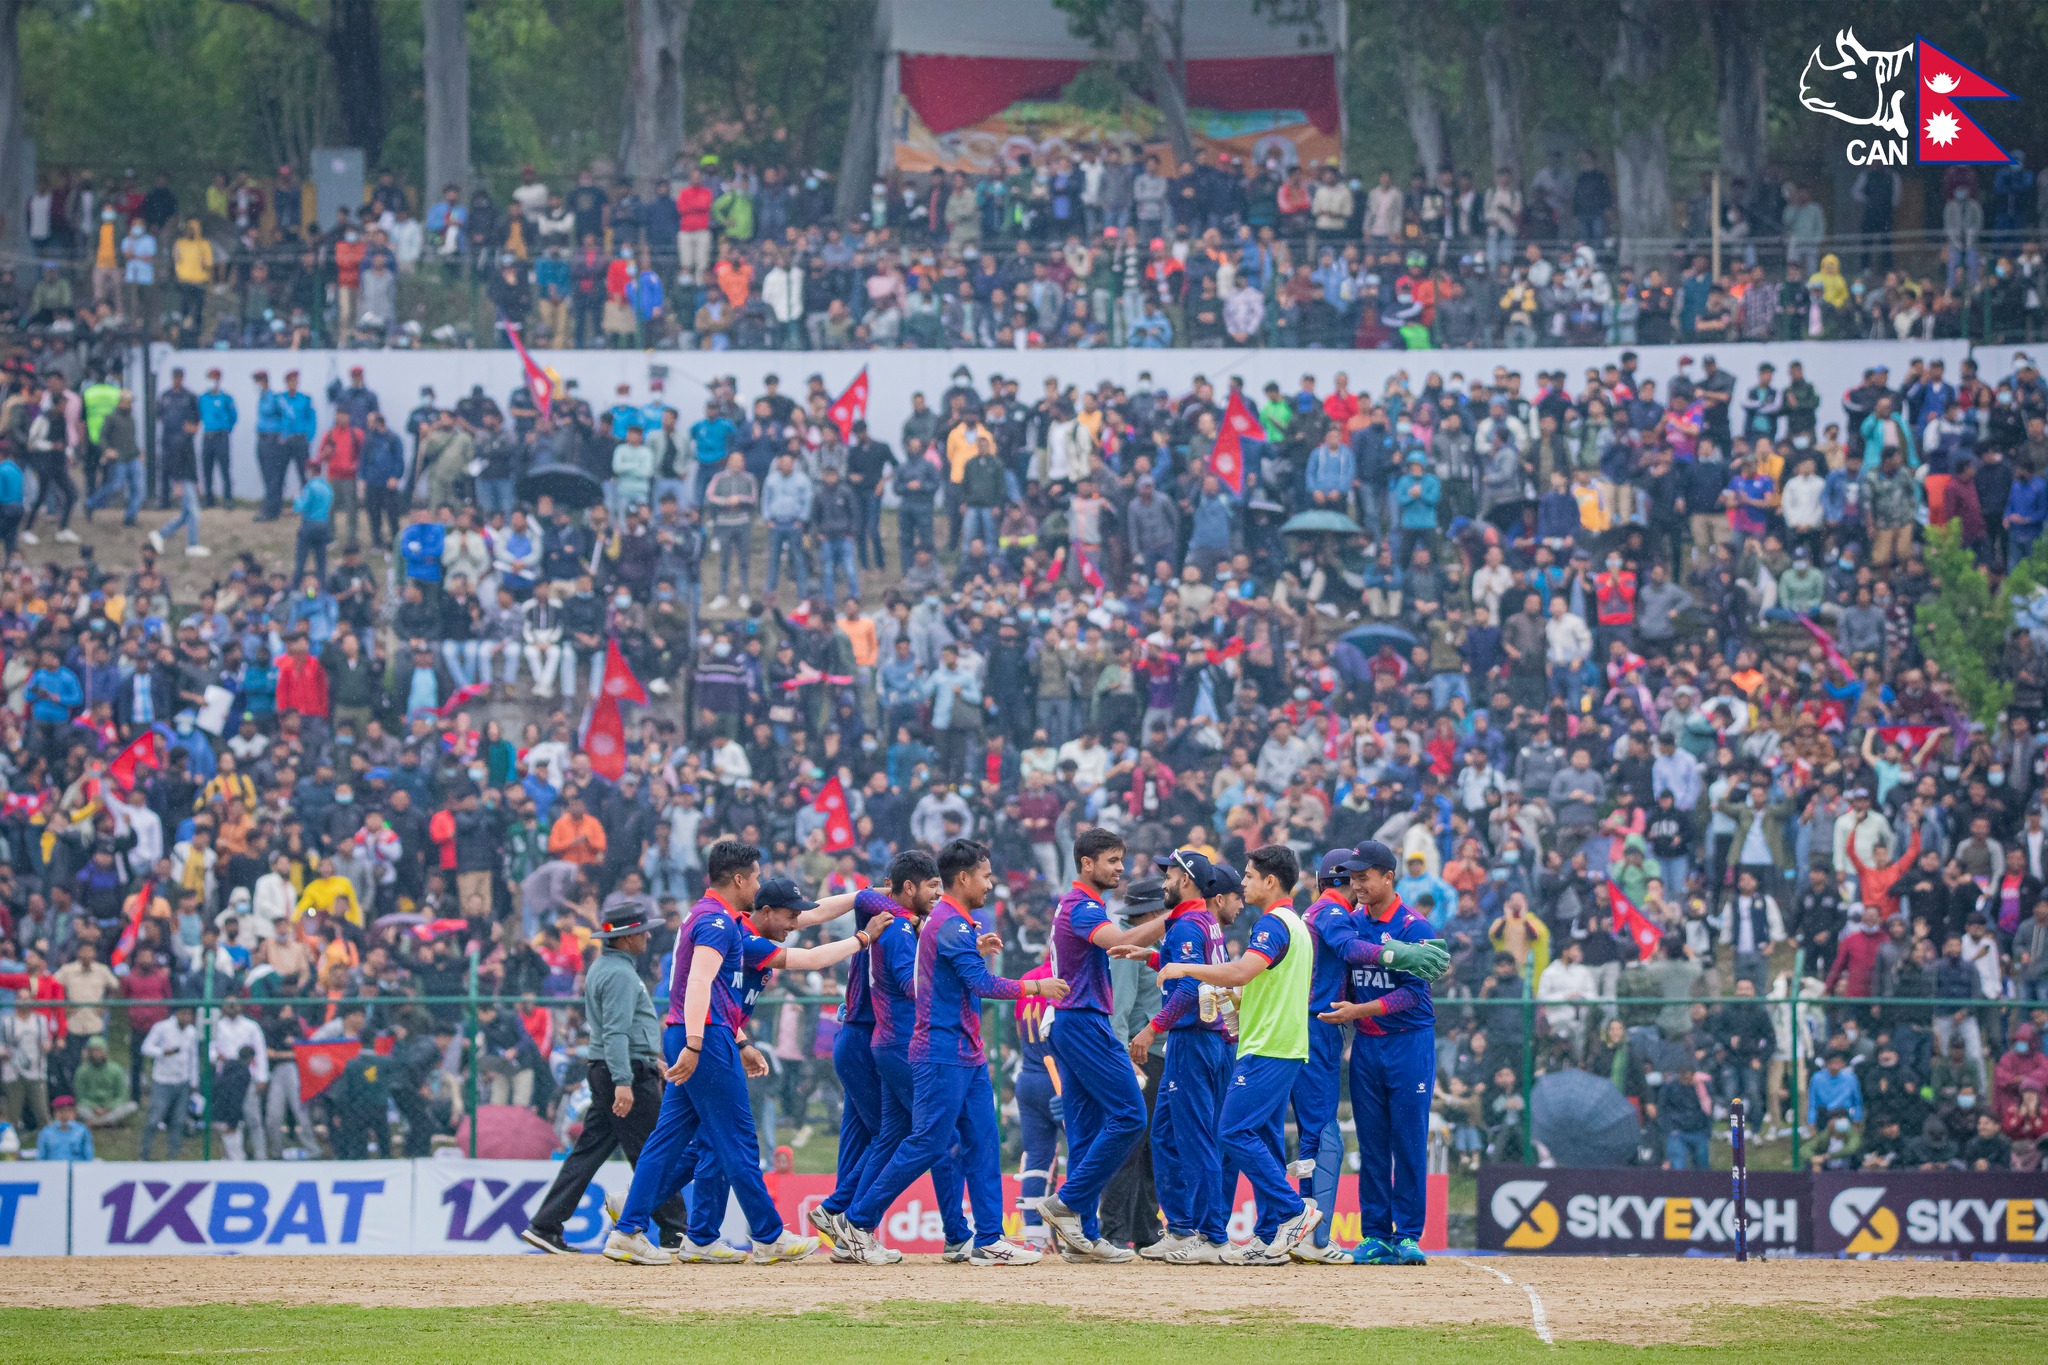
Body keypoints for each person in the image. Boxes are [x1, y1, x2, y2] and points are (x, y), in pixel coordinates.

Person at [839, 839, 1062, 1265]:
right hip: (940, 1050)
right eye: (985, 875)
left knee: (983, 1139)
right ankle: (857, 1221)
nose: (991, 883)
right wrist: (1035, 987)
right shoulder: (951, 923)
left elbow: (947, 971)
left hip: (967, 1051)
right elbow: (983, 984)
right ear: (963, 878)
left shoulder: (951, 922)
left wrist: (974, 952)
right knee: (927, 1141)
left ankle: (990, 1239)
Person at [602, 840, 820, 1266]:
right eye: (755, 876)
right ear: (739, 878)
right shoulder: (717, 922)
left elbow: (808, 917)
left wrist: (733, 1040)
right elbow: (700, 983)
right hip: (705, 1034)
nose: (758, 884)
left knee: (672, 1141)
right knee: (737, 1139)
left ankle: (634, 1228)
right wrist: (697, 1044)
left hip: (706, 1032)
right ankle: (769, 1235)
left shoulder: (713, 916)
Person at [1154, 843, 1321, 1263]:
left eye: (1248, 876)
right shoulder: (1294, 925)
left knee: (1231, 1132)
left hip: (1269, 1046)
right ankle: (1268, 1236)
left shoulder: (1272, 926)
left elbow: (1241, 971)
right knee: (1257, 1135)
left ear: (1270, 881)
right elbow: (1255, 985)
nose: (1241, 885)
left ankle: (1293, 1211)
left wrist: (1184, 968)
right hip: (1278, 1044)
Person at [520, 901, 691, 1253]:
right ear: (627, 938)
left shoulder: (605, 967)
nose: (646, 936)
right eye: (641, 931)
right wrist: (625, 1081)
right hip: (624, 1073)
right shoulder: (620, 975)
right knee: (655, 1150)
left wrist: (650, 1060)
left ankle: (546, 1224)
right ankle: (676, 1230)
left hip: (615, 1068)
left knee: (590, 1152)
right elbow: (615, 1033)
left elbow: (615, 1032)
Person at [1035, 827, 1165, 1262]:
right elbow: (1123, 943)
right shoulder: (1082, 906)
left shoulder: (1084, 905)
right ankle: (1067, 1202)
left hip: (1072, 1022)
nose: (1121, 867)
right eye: (1112, 860)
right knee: (1130, 1117)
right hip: (1085, 1022)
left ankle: (1083, 1239)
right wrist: (1179, 914)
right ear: (1086, 864)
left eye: (1121, 859)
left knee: (1087, 1131)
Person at [1320, 838, 1443, 1266]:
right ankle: (1375, 1234)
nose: (1356, 885)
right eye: (1352, 878)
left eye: (1364, 877)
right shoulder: (1353, 923)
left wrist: (1361, 1009)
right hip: (1368, 1046)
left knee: (1408, 1141)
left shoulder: (1415, 927)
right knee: (1371, 1144)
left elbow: (1415, 996)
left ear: (1388, 877)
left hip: (1409, 1044)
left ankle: (1408, 1235)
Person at [1121, 854, 1240, 1263]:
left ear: (1187, 879)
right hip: (1201, 1041)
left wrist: (1153, 1027)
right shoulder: (1199, 919)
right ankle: (1182, 1227)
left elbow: (1190, 985)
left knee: (1195, 1139)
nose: (1164, 881)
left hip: (1194, 1040)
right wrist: (1152, 958)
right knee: (1166, 1134)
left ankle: (1211, 1237)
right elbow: (1191, 968)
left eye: (1170, 874)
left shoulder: (1189, 922)